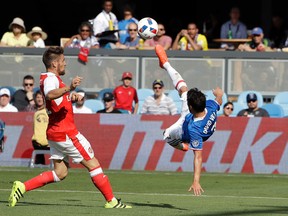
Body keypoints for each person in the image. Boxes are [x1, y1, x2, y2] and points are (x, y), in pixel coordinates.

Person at [8, 46, 131, 208]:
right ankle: (112, 201)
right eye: (63, 61)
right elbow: (50, 94)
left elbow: (55, 99)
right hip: (66, 132)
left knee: (60, 173)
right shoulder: (51, 79)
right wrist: (70, 88)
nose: (65, 64)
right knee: (93, 165)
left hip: (54, 132)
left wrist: (69, 97)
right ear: (54, 64)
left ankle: (22, 187)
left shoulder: (49, 78)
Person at [154, 44, 223, 196]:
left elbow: (198, 157)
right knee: (184, 89)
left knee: (166, 134)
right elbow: (218, 100)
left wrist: (196, 181)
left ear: (191, 107)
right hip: (192, 116)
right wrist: (219, 94)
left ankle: (183, 147)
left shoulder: (194, 131)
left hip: (183, 130)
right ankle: (165, 63)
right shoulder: (209, 106)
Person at [31, 90, 49, 165]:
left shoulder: (49, 111)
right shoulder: (33, 111)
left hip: (49, 142)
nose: (39, 99)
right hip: (36, 142)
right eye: (38, 97)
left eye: (41, 97)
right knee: (39, 162)